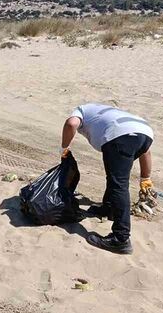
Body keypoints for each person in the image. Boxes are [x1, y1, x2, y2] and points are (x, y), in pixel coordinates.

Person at [61, 103, 154, 255]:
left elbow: (71, 123)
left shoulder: (81, 111)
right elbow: (146, 152)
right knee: (114, 177)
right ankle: (108, 209)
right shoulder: (107, 113)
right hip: (145, 133)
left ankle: (121, 239)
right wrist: (145, 178)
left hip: (119, 136)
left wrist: (64, 149)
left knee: (119, 184)